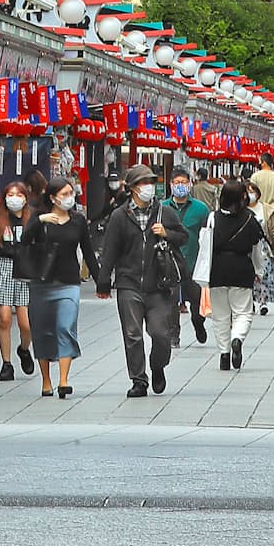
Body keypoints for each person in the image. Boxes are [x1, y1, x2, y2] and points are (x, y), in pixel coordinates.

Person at [97, 165, 188, 397]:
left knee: (161, 334)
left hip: (158, 284)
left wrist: (167, 233)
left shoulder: (164, 213)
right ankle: (138, 379)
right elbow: (110, 250)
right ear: (132, 188)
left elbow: (183, 236)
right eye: (143, 183)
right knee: (132, 334)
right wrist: (104, 279)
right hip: (128, 283)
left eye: (150, 182)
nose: (148, 187)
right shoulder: (119, 216)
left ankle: (158, 366)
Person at [23, 176, 100, 398]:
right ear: (52, 197)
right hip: (41, 283)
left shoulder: (78, 221)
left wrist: (100, 281)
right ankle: (46, 380)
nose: (69, 198)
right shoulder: (39, 217)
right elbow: (25, 243)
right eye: (64, 194)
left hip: (68, 282)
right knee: (42, 330)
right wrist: (39, 222)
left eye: (71, 193)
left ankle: (63, 380)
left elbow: (87, 251)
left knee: (65, 327)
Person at [209, 179, 266, 372]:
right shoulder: (250, 219)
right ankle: (237, 338)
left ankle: (224, 355)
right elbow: (257, 248)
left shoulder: (212, 218)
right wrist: (259, 271)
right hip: (241, 267)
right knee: (243, 312)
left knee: (220, 316)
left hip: (216, 269)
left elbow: (205, 246)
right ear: (243, 197)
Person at [0, 181, 36, 381]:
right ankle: (6, 363)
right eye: (11, 194)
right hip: (3, 267)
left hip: (25, 268)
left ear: (25, 198)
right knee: (4, 319)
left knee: (26, 323)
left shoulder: (32, 219)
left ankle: (24, 349)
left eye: (19, 194)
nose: (15, 198)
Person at [162, 165, 210, 347]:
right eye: (176, 182)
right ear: (171, 184)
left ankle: (198, 323)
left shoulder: (201, 209)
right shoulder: (162, 207)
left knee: (197, 303)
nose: (180, 185)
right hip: (169, 263)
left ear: (190, 184)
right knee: (171, 301)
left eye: (183, 182)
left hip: (193, 263)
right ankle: (174, 335)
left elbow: (207, 237)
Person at [245, 179, 274, 316]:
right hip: (246, 247)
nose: (250, 194)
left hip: (264, 246)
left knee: (265, 274)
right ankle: (249, 301)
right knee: (248, 275)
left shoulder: (267, 209)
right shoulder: (240, 210)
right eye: (247, 192)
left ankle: (263, 301)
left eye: (253, 191)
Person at [250, 152, 274, 217]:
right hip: (273, 214)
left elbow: (251, 194)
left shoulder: (255, 176)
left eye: (260, 162)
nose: (259, 164)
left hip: (257, 213)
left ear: (264, 163)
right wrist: (271, 207)